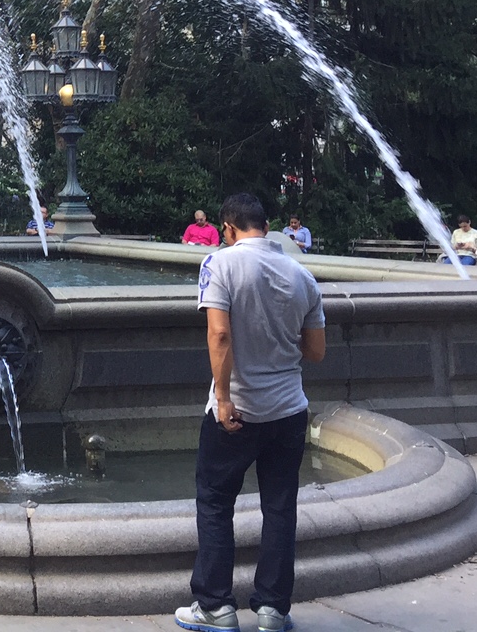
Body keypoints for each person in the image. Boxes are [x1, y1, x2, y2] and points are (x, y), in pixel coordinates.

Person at [176, 192, 325, 632]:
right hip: (289, 409)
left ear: (227, 228)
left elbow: (219, 335)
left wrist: (223, 398)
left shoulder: (219, 264)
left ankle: (215, 606)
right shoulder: (302, 275)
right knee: (280, 507)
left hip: (237, 409)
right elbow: (316, 351)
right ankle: (273, 610)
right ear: (267, 226)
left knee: (215, 501)